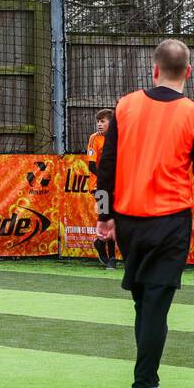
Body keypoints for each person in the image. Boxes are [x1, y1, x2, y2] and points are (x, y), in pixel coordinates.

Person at [95, 39, 194, 388]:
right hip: (170, 225)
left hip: (130, 223)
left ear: (154, 69)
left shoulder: (125, 107)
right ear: (189, 72)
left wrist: (104, 216)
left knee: (144, 307)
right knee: (155, 309)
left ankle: (151, 384)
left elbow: (105, 167)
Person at [87, 107, 117, 269]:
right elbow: (91, 166)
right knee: (106, 215)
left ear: (111, 124)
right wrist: (106, 179)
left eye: (102, 121)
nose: (99, 124)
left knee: (114, 219)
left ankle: (100, 244)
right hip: (98, 187)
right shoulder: (94, 138)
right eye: (98, 121)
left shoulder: (118, 139)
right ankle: (111, 258)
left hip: (115, 186)